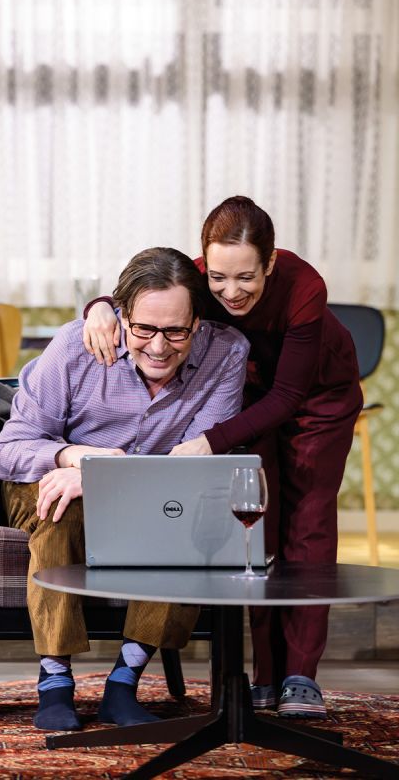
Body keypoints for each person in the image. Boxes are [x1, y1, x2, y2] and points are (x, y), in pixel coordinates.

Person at [83, 196, 363, 720]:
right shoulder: (197, 277)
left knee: (306, 523)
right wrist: (98, 306)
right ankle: (265, 675)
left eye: (246, 277)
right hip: (252, 396)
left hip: (316, 398)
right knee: (255, 521)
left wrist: (208, 442)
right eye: (218, 277)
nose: (230, 291)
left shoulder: (306, 288)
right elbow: (145, 294)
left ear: (270, 262)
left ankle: (301, 674)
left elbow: (289, 397)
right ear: (205, 263)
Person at [0, 246, 250, 732]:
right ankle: (54, 681)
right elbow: (10, 449)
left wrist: (111, 476)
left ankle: (123, 684)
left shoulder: (227, 353)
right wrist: (76, 458)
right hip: (55, 482)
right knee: (64, 508)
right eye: (144, 330)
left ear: (198, 323)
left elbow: (199, 464)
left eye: (176, 331)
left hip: (153, 491)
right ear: (121, 316)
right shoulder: (74, 347)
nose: (159, 347)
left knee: (187, 517)